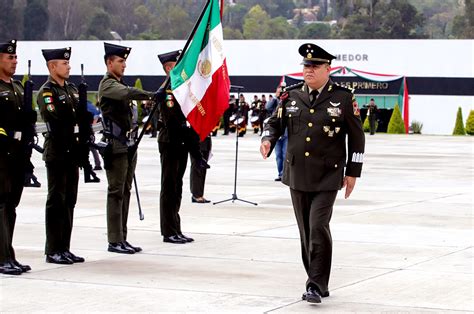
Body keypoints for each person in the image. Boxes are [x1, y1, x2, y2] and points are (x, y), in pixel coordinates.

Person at [260, 43, 365, 304]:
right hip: (296, 173)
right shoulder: (291, 95)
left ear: (328, 69)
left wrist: (353, 172)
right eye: (306, 66)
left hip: (328, 175)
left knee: (318, 226)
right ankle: (317, 280)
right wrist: (267, 139)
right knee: (306, 231)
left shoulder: (342, 97)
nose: (308, 70)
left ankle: (315, 285)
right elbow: (275, 122)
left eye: (314, 66)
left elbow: (357, 137)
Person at [98, 42, 154, 254]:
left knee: (125, 191)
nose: (124, 65)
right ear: (109, 62)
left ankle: (122, 236)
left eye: (124, 61)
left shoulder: (120, 83)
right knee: (116, 192)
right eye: (120, 61)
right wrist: (150, 95)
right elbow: (126, 93)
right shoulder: (108, 85)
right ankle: (114, 239)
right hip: (116, 145)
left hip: (128, 145)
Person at [37, 47, 87, 264]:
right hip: (57, 151)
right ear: (52, 66)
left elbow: (79, 118)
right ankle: (53, 249)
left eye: (68, 63)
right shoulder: (47, 92)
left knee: (70, 200)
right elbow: (55, 117)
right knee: (56, 200)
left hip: (72, 151)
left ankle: (64, 247)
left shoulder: (72, 89)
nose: (68, 66)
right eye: (64, 63)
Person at [156, 50, 202, 244]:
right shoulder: (167, 90)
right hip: (170, 143)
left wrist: (194, 149)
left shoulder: (180, 88)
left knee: (178, 186)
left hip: (180, 143)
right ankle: (168, 230)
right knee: (169, 187)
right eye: (177, 64)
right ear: (169, 68)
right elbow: (173, 121)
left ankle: (176, 227)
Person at [0, 39, 31, 275]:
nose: (14, 61)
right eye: (10, 57)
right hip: (1, 152)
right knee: (1, 204)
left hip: (18, 154)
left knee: (11, 205)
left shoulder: (19, 88)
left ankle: (9, 254)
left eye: (16, 57)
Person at [265, 85, 287, 181]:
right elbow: (267, 107)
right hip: (276, 133)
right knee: (278, 155)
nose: (280, 94)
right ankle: (280, 174)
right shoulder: (274, 102)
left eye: (281, 92)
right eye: (278, 92)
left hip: (286, 133)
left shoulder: (286, 101)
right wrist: (275, 97)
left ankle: (285, 175)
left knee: (285, 154)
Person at [190, 133, 212, 203]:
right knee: (197, 168)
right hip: (197, 140)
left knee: (203, 169)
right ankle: (196, 195)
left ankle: (200, 194)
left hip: (206, 139)